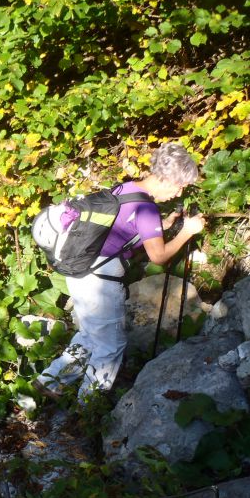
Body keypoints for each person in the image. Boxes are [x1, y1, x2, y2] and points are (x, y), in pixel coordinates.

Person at [36, 142, 206, 402]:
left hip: (80, 271)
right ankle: (87, 409)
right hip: (100, 282)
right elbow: (158, 257)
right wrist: (187, 232)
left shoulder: (125, 188)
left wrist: (162, 226)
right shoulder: (147, 208)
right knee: (110, 345)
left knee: (91, 335)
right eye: (179, 185)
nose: (178, 193)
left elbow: (119, 229)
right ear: (166, 178)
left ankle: (50, 383)